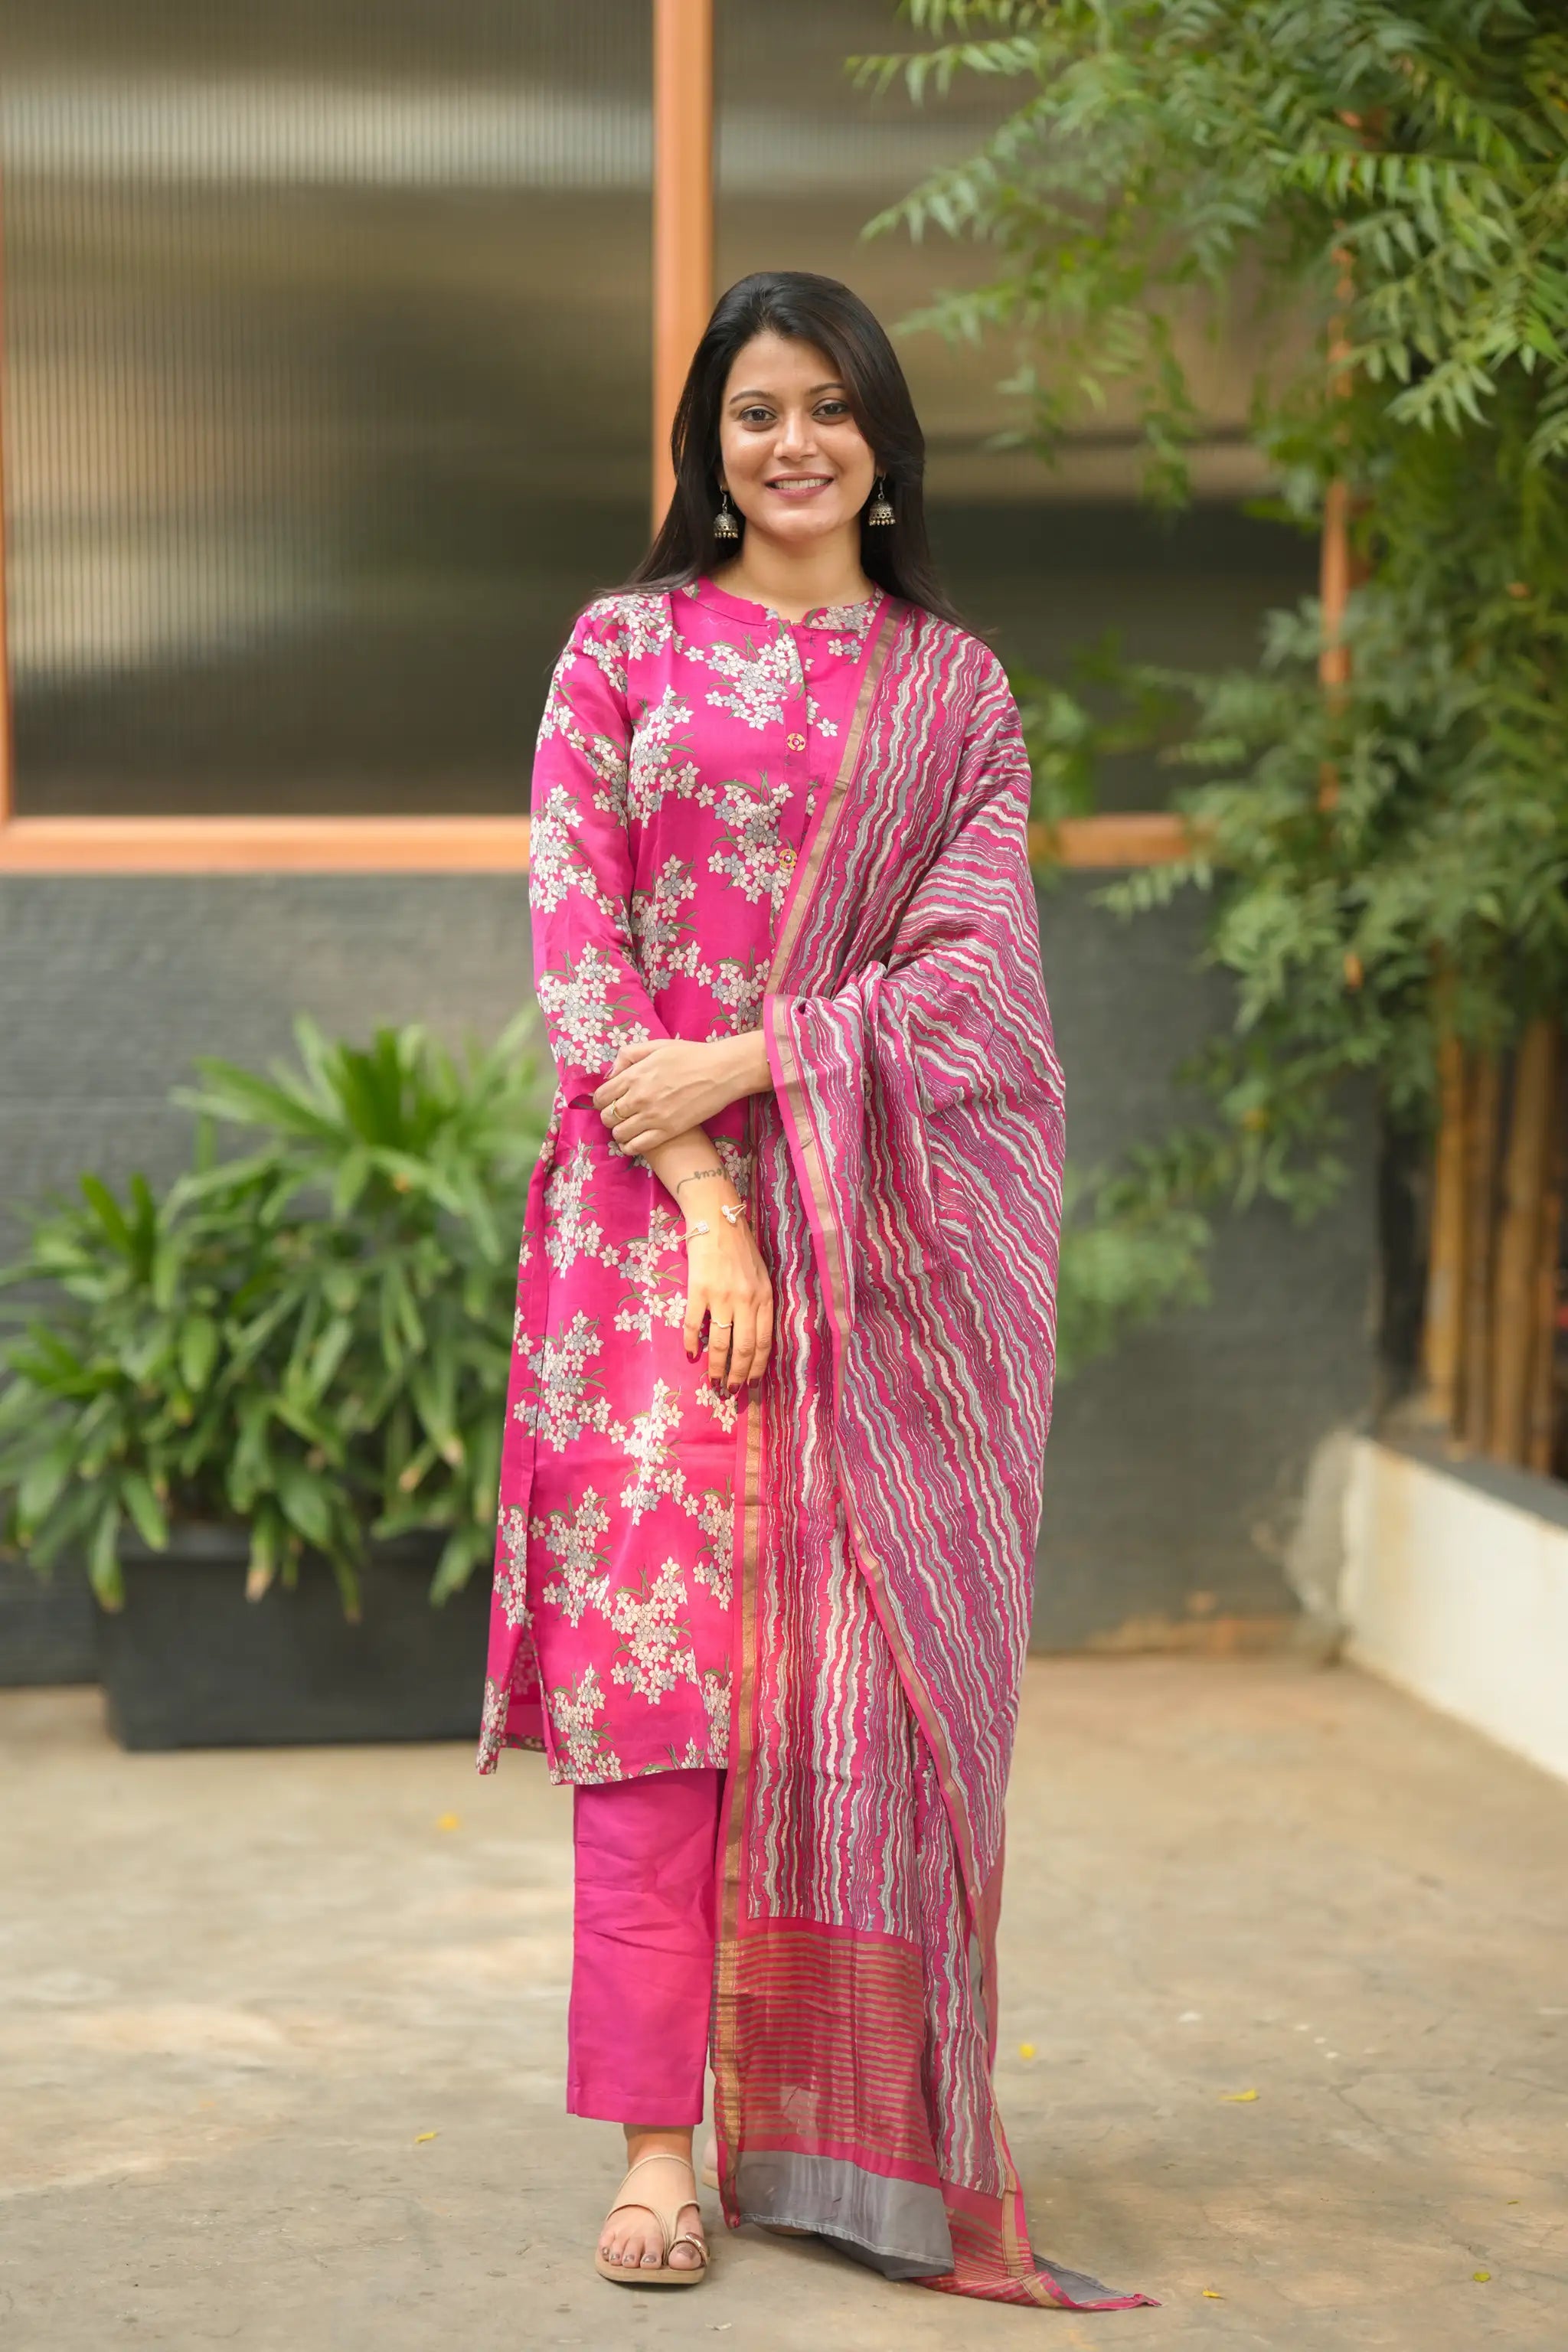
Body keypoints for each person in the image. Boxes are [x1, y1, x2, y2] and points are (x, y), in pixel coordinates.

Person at [475, 269, 1152, 2313]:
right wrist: (703, 1191)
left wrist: (768, 1060)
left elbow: (977, 986)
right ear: (709, 441)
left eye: (829, 408)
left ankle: (846, 2138)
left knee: (842, 1696)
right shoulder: (623, 649)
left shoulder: (955, 691)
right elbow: (580, 945)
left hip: (885, 1262)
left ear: (880, 440)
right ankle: (659, 2147)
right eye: (756, 410)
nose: (793, 444)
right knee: (661, 1708)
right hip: (643, 1250)